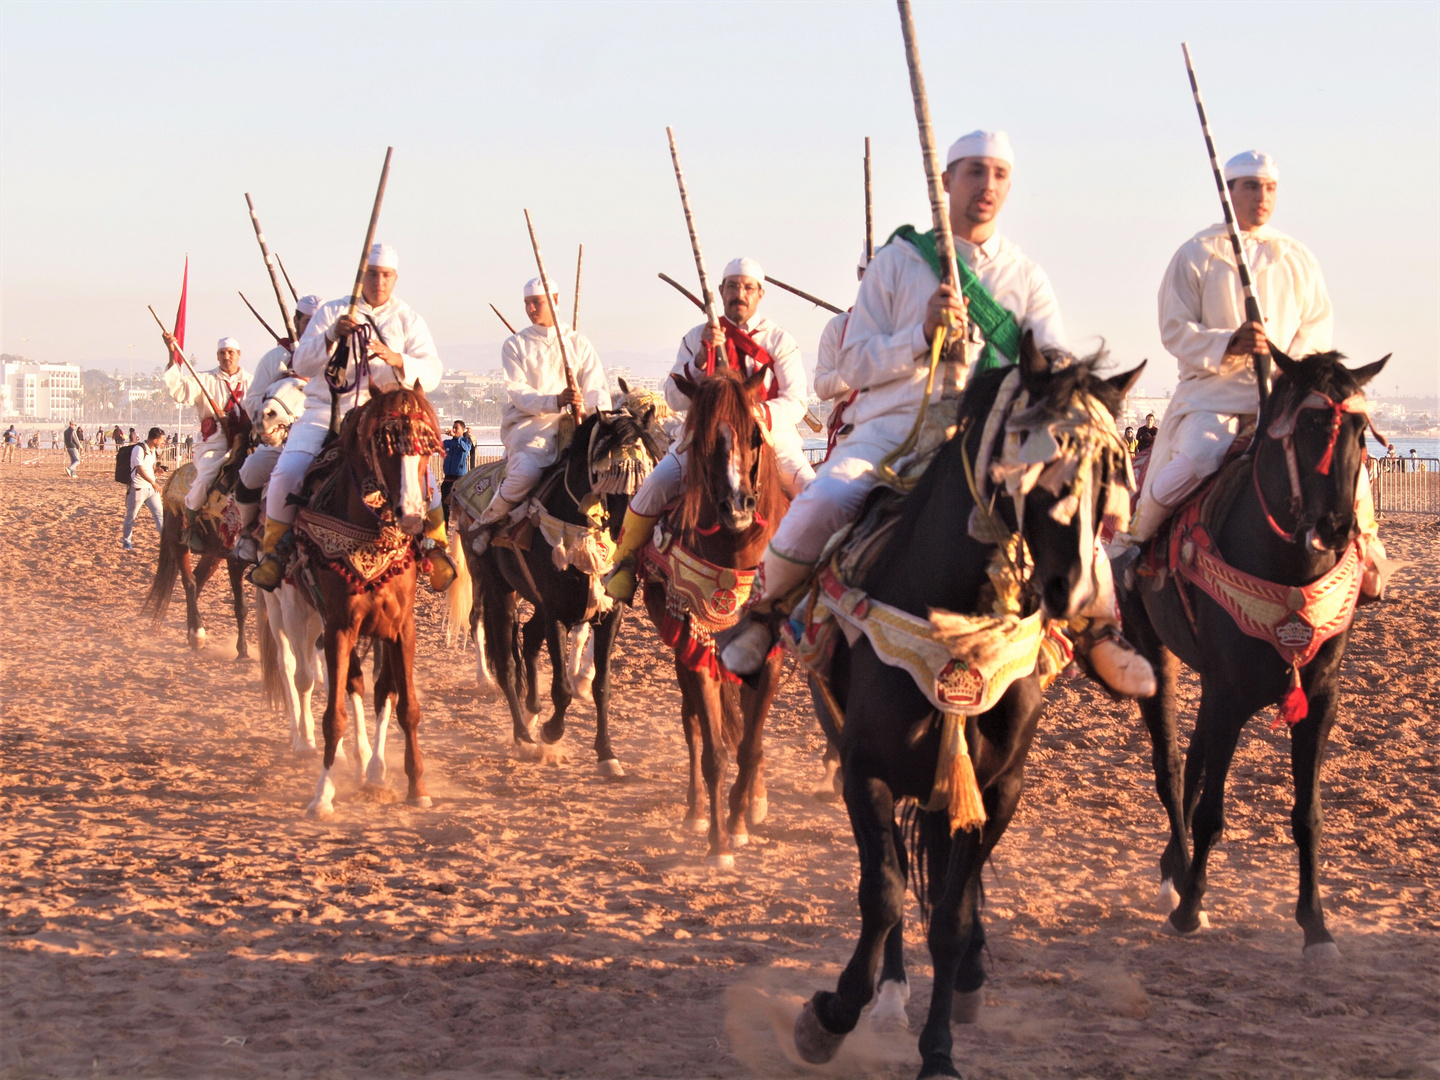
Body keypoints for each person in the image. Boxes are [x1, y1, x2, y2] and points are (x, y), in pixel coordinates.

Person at [720, 130, 1152, 696]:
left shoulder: (1026, 277)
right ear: (946, 181)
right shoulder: (898, 262)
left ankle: (1097, 629)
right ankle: (767, 611)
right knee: (823, 499)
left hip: (995, 436)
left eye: (998, 174)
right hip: (893, 429)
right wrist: (920, 334)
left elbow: (1051, 363)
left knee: (1070, 512)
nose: (986, 185)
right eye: (974, 171)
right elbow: (851, 362)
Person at [1131, 151, 1333, 539]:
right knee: (1195, 462)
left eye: (1271, 188)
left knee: (1337, 462)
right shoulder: (1195, 254)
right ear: (1229, 191)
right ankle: (1136, 540)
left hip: (1282, 398)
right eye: (1253, 187)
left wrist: (1288, 367)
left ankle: (1367, 553)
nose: (1263, 197)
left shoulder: (1298, 258)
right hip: (1212, 398)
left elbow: (1317, 325)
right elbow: (1174, 329)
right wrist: (1229, 344)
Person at [604, 256, 813, 601]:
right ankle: (625, 563)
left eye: (747, 287)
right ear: (721, 291)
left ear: (760, 293)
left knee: (812, 489)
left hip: (767, 437)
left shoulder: (779, 340)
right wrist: (700, 360)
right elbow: (673, 397)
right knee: (655, 483)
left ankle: (825, 571)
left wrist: (750, 414)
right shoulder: (695, 338)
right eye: (732, 286)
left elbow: (796, 401)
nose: (739, 294)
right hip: (705, 438)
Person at [251, 243, 451, 592]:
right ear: (362, 275)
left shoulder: (408, 319)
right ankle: (275, 553)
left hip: (382, 421)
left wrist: (397, 359)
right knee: (287, 473)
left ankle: (434, 548)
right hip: (325, 414)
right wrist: (330, 336)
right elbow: (301, 364)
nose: (379, 282)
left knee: (426, 485)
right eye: (372, 274)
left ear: (395, 278)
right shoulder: (332, 312)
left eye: (386, 276)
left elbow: (432, 372)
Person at [471, 277, 610, 547]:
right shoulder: (515, 344)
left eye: (537, 302)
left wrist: (595, 414)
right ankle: (487, 522)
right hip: (530, 427)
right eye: (527, 303)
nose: (530, 309)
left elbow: (597, 390)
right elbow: (518, 392)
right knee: (526, 474)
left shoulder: (578, 344)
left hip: (575, 425)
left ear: (555, 301)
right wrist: (555, 400)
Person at [231, 294, 321, 561]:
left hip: (326, 435)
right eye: (308, 321)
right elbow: (252, 401)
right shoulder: (276, 357)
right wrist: (279, 393)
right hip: (285, 441)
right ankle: (247, 531)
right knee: (250, 470)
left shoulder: (334, 354)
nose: (314, 326)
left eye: (319, 321)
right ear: (295, 321)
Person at [158, 334, 252, 550]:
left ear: (239, 355)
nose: (226, 357)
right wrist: (172, 356)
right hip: (214, 445)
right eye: (222, 353)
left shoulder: (253, 381)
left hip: (246, 444)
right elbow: (180, 390)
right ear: (217, 356)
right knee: (206, 475)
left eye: (230, 353)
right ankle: (189, 525)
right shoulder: (204, 380)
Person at [813, 250, 870, 459]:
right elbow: (821, 387)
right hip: (849, 437)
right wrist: (856, 368)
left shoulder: (904, 326)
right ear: (860, 275)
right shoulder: (838, 327)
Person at [121, 427, 168, 551]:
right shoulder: (139, 449)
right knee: (131, 516)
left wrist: (157, 472)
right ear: (154, 439)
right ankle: (126, 542)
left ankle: (166, 542)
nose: (164, 442)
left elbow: (149, 469)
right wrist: (153, 482)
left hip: (151, 490)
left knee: (160, 515)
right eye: (162, 440)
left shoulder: (152, 451)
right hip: (138, 488)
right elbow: (140, 469)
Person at [440, 419, 474, 525]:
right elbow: (435, 446)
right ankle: (444, 530)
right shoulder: (447, 443)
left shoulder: (465, 441)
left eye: (456, 428)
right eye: (453, 427)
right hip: (447, 479)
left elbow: (466, 449)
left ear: (463, 430)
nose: (454, 429)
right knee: (444, 507)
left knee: (461, 508)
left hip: (459, 480)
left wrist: (459, 437)